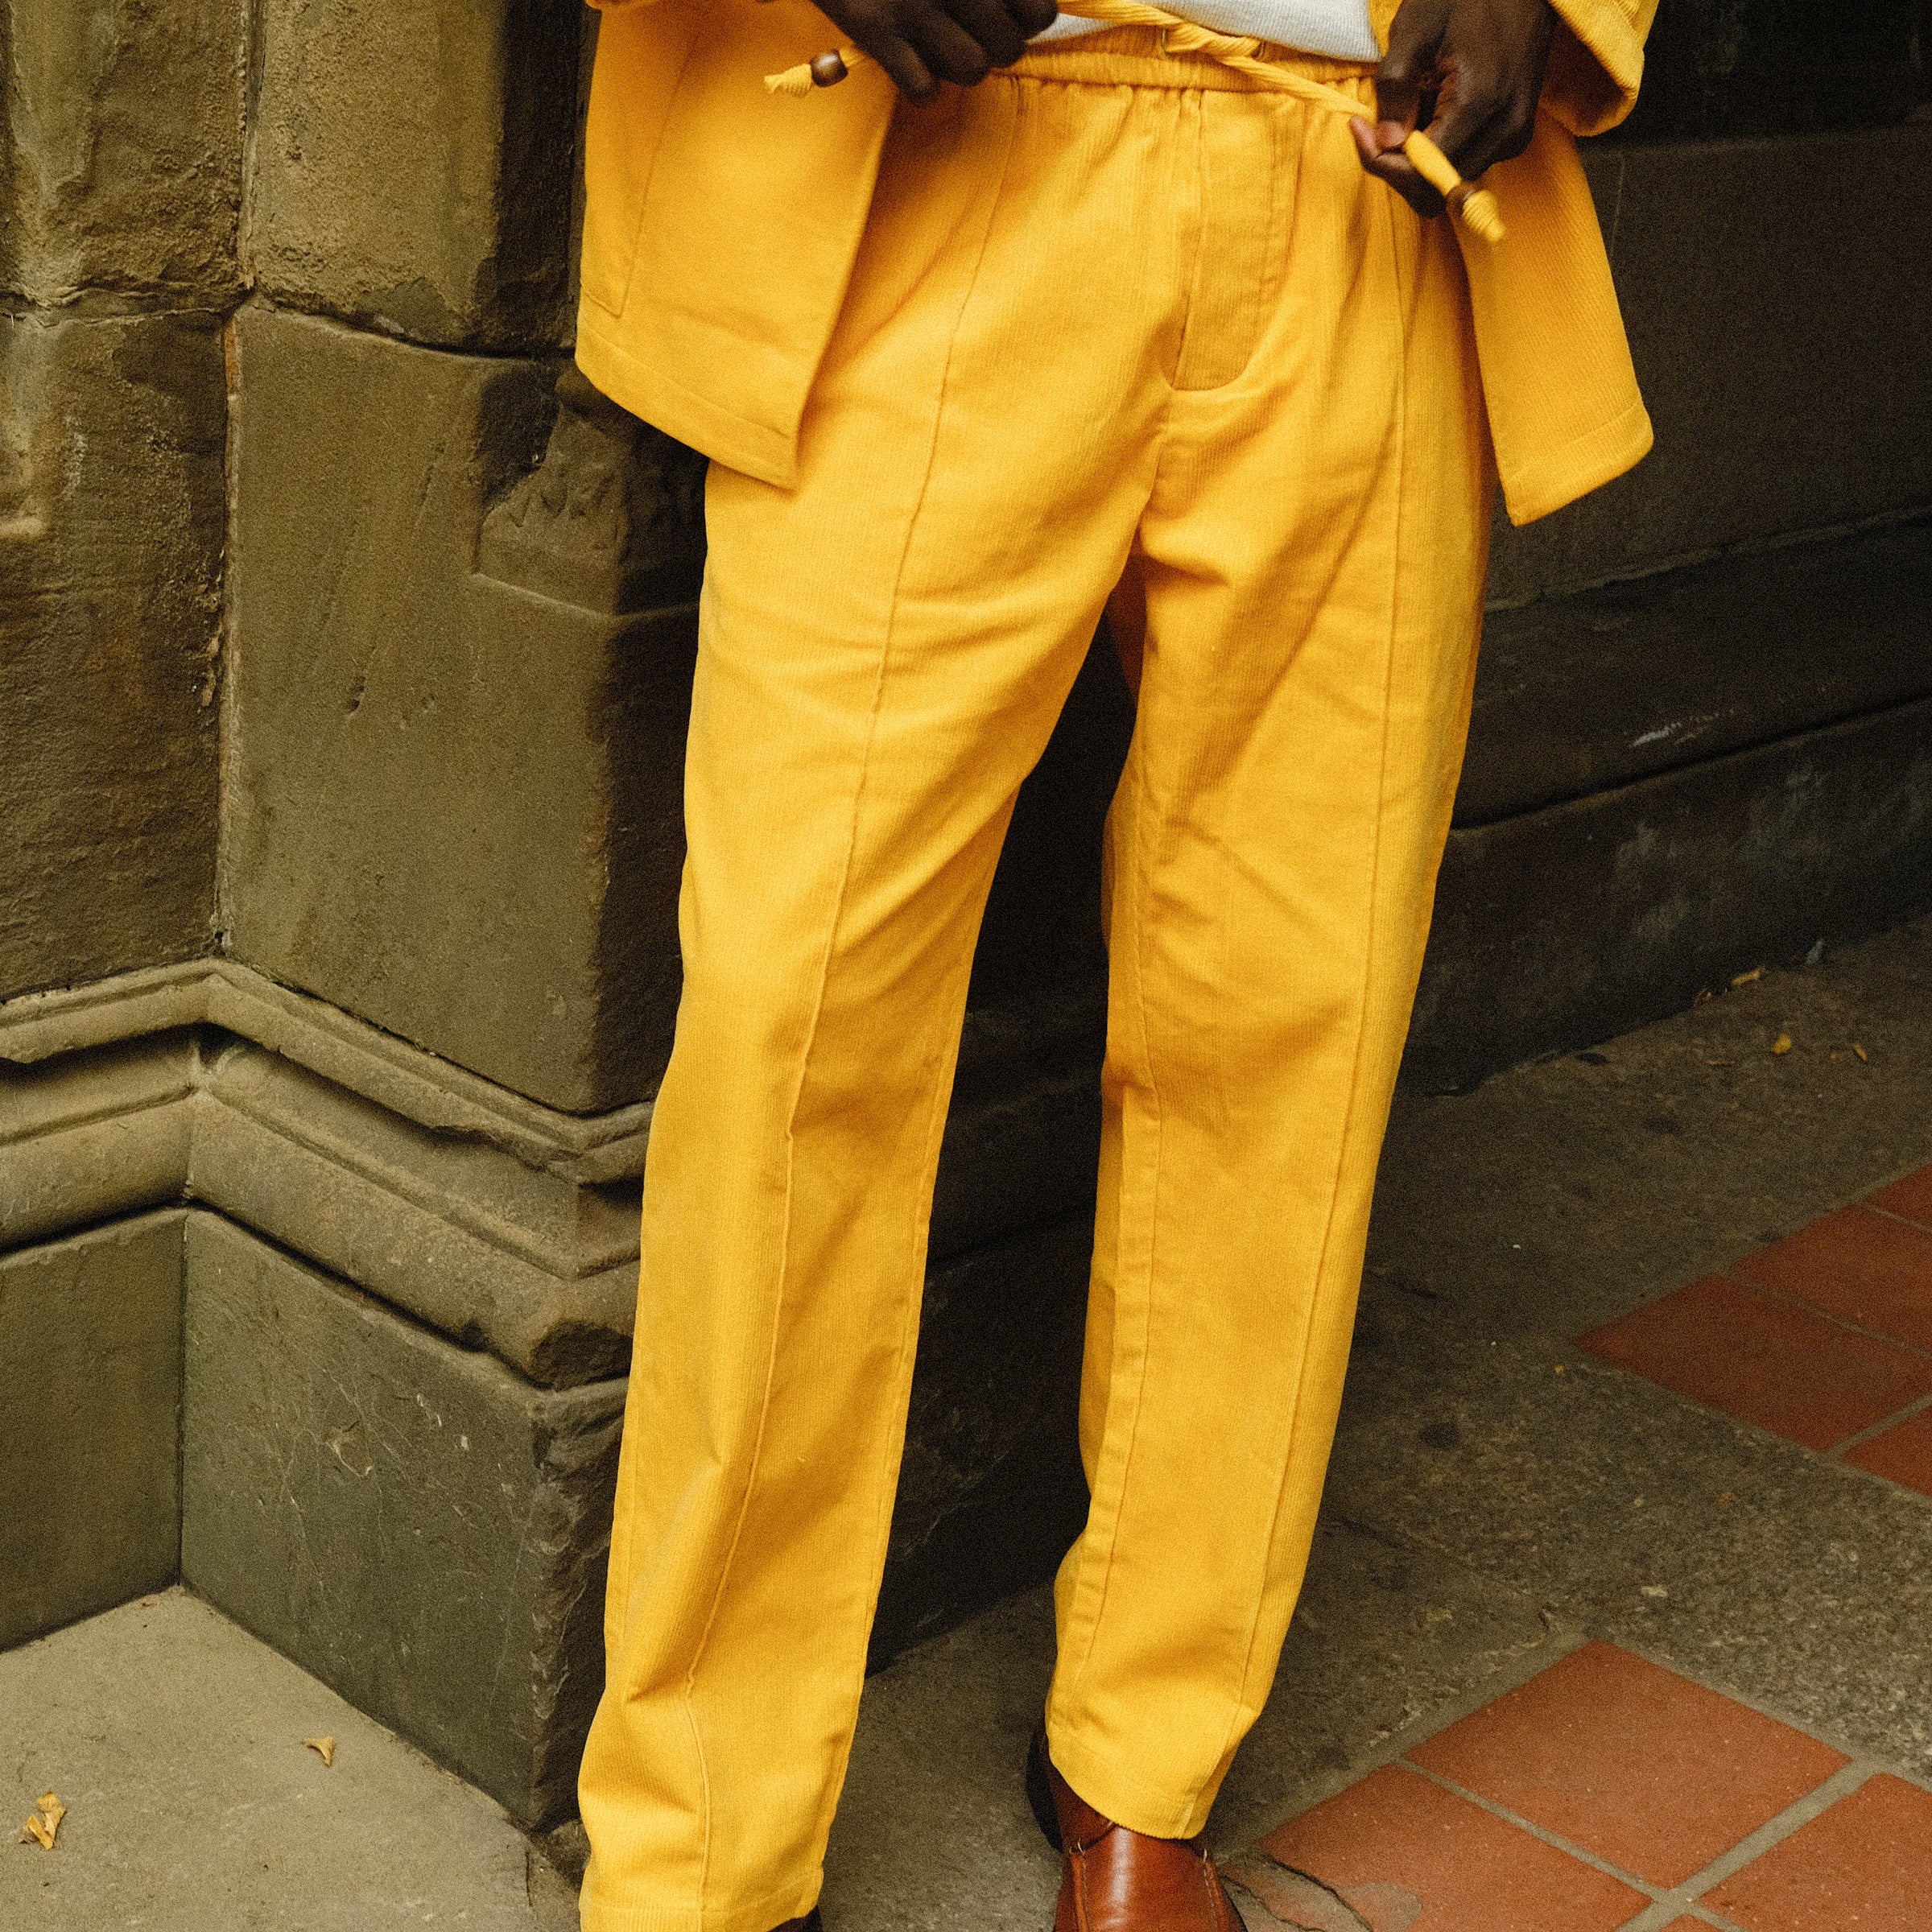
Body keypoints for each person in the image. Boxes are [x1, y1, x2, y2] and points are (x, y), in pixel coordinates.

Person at [567, 1, 1656, 1928]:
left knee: (1291, 1015)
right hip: (930, 145)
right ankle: (698, 1840)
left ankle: (1149, 1759)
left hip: (1366, 182)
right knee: (788, 1023)